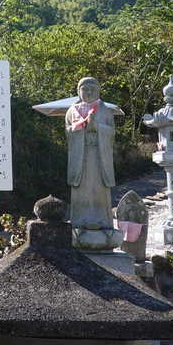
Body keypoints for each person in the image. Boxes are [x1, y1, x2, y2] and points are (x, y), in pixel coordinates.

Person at [65, 77, 117, 236]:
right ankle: (79, 222)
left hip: (99, 156)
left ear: (98, 91)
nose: (88, 92)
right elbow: (68, 133)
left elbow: (112, 133)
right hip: (81, 155)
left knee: (99, 188)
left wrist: (97, 127)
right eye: (84, 89)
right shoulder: (72, 111)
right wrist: (81, 128)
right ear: (78, 92)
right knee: (82, 189)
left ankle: (103, 222)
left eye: (92, 89)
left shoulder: (105, 110)